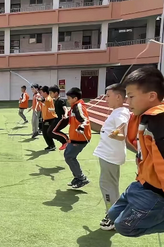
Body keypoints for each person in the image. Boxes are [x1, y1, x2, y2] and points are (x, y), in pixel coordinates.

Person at [108, 66, 164, 237]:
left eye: (131, 97)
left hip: (155, 191)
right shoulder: (142, 117)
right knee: (112, 215)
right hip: (140, 183)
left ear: (152, 96)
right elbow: (131, 138)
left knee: (124, 226)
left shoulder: (159, 122)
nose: (127, 102)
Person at [93, 83, 131, 231]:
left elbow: (121, 134)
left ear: (119, 97)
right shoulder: (118, 111)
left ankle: (112, 217)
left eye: (108, 96)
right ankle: (114, 214)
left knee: (107, 186)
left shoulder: (121, 112)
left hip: (110, 155)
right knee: (110, 186)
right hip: (108, 154)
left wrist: (115, 134)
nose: (106, 99)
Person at [65, 87, 91, 189]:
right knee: (69, 156)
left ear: (75, 98)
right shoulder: (74, 106)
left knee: (69, 156)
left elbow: (85, 119)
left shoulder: (78, 106)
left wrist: (81, 126)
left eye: (69, 98)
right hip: (75, 137)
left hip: (80, 138)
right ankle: (78, 177)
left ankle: (81, 178)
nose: (68, 100)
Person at [49, 86, 69, 151]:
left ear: (56, 93)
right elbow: (57, 109)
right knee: (50, 132)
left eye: (51, 93)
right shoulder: (56, 101)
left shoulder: (61, 100)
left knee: (52, 131)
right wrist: (51, 110)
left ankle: (66, 141)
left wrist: (66, 114)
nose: (50, 94)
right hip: (58, 118)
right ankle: (64, 142)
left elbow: (65, 108)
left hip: (62, 119)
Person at [39, 86, 57, 151]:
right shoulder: (46, 98)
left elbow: (45, 101)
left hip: (49, 119)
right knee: (46, 133)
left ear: (45, 92)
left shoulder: (48, 99)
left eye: (41, 92)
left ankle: (52, 145)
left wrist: (40, 100)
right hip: (46, 118)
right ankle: (51, 145)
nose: (41, 93)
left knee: (46, 133)